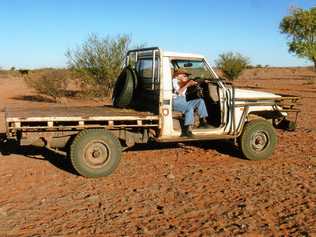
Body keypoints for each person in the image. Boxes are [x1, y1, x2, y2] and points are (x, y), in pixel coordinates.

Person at [172, 68, 210, 137]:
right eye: (184, 75)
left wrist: (201, 82)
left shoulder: (182, 81)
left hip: (183, 101)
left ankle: (202, 122)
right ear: (178, 75)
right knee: (189, 108)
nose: (186, 77)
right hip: (176, 101)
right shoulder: (174, 81)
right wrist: (188, 84)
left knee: (200, 101)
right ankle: (187, 130)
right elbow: (180, 92)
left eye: (187, 75)